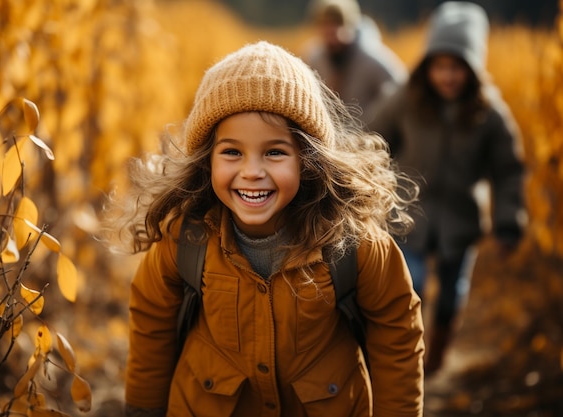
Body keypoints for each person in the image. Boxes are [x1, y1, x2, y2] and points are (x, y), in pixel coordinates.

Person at [103, 41, 424, 416]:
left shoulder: (352, 243)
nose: (252, 171)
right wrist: (142, 410)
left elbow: (397, 331)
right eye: (232, 152)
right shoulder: (185, 240)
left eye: (274, 152)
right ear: (206, 161)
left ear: (309, 160)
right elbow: (152, 323)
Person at [368, 2, 526, 376]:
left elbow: (508, 169)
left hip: (460, 219)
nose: (447, 76)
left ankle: (436, 357)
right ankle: (407, 357)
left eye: (456, 67)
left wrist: (509, 221)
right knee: (411, 286)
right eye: (439, 66)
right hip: (410, 215)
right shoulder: (406, 99)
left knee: (452, 295)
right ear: (427, 67)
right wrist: (370, 189)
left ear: (472, 69)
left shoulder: (489, 112)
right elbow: (373, 137)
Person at [302, 0, 407, 123]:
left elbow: (402, 95)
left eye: (337, 26)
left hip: (367, 137)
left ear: (351, 26)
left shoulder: (373, 59)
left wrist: (376, 124)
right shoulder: (315, 58)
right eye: (325, 27)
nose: (332, 36)